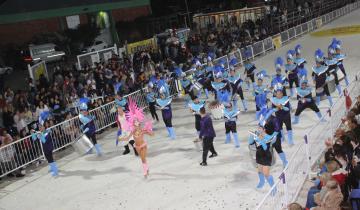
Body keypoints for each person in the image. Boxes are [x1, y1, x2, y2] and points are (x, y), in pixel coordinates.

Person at [119, 98, 154, 178]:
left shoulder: (142, 130)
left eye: (136, 121)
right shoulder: (133, 131)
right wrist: (120, 139)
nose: (135, 123)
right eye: (134, 122)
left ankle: (145, 171)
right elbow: (127, 138)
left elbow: (152, 134)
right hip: (137, 146)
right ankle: (147, 168)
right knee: (142, 159)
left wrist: (150, 131)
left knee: (143, 158)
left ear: (139, 123)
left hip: (143, 145)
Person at [248, 123, 276, 191]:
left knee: (266, 174)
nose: (259, 130)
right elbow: (250, 142)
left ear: (264, 129)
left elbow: (265, 148)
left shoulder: (268, 137)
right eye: (258, 129)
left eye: (260, 128)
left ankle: (273, 188)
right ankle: (262, 182)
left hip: (266, 156)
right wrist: (251, 136)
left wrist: (260, 140)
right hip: (259, 156)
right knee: (260, 171)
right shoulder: (256, 136)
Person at [30, 111, 58, 177]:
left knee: (50, 159)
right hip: (45, 149)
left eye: (41, 127)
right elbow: (34, 139)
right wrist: (32, 134)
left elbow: (44, 141)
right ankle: (52, 168)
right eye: (39, 127)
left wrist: (40, 135)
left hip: (49, 148)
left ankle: (55, 170)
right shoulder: (40, 133)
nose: (40, 128)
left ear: (44, 127)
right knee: (48, 159)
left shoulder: (47, 132)